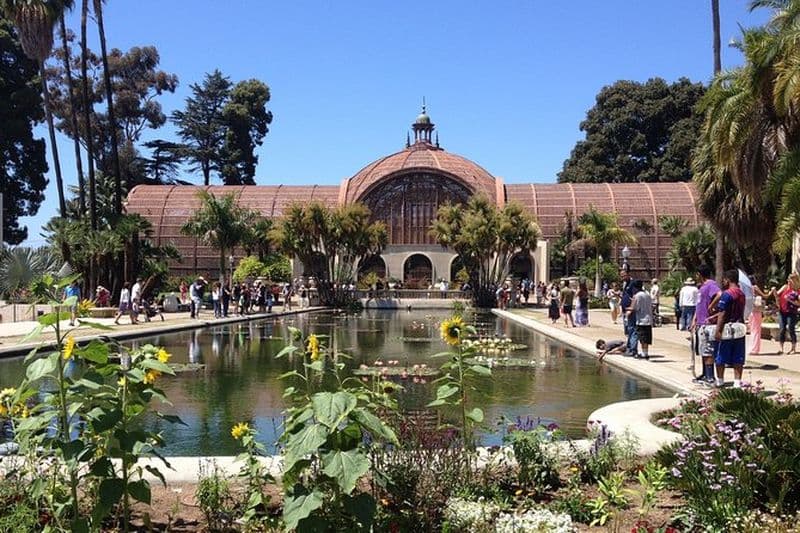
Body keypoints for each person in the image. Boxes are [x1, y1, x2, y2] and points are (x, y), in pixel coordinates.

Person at [713, 269, 747, 388]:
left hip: (727, 328)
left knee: (720, 354)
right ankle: (737, 382)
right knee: (738, 355)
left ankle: (720, 381)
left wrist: (718, 330)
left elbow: (722, 314)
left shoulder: (727, 294)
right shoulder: (742, 294)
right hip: (739, 328)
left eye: (724, 280)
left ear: (727, 280)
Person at [691, 265, 720, 384]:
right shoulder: (701, 287)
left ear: (700, 274)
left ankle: (710, 376)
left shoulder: (711, 284)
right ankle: (704, 373)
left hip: (707, 323)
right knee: (702, 349)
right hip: (700, 322)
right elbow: (698, 305)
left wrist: (711, 306)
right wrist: (694, 320)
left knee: (708, 349)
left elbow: (719, 294)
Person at [629, 279, 653, 360]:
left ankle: (644, 354)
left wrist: (629, 307)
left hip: (641, 320)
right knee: (646, 337)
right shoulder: (647, 294)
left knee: (642, 338)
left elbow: (636, 308)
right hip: (649, 319)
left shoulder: (637, 296)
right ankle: (645, 353)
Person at [776, 274, 799, 354]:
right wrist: (774, 292)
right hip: (782, 312)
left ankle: (793, 348)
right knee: (782, 329)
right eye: (788, 279)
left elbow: (798, 304)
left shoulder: (797, 291)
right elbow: (777, 294)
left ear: (795, 281)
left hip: (791, 312)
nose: (789, 281)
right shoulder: (785, 287)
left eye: (791, 280)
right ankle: (781, 348)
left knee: (791, 329)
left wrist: (790, 300)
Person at [620, 270, 639, 356]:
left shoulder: (632, 283)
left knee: (632, 329)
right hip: (625, 311)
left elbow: (634, 297)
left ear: (628, 275)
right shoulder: (626, 284)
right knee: (628, 330)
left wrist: (630, 309)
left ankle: (633, 349)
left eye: (624, 276)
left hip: (630, 312)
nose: (622, 278)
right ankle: (629, 348)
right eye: (621, 276)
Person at [748, 282, 770, 355]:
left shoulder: (758, 298)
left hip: (756, 314)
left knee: (756, 331)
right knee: (753, 331)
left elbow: (758, 305)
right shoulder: (750, 296)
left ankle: (755, 349)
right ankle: (753, 347)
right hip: (752, 314)